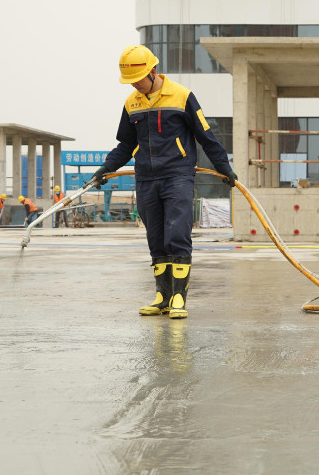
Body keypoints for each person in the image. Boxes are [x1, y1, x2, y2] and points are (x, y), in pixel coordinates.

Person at [90, 45, 237, 320]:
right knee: (156, 238)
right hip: (146, 178)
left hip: (177, 176)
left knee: (177, 234)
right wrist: (105, 169)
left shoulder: (182, 96)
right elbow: (126, 145)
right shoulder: (132, 103)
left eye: (138, 79)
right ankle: (163, 297)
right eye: (130, 81)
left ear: (153, 72)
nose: (134, 85)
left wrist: (224, 167)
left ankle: (179, 298)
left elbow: (206, 137)